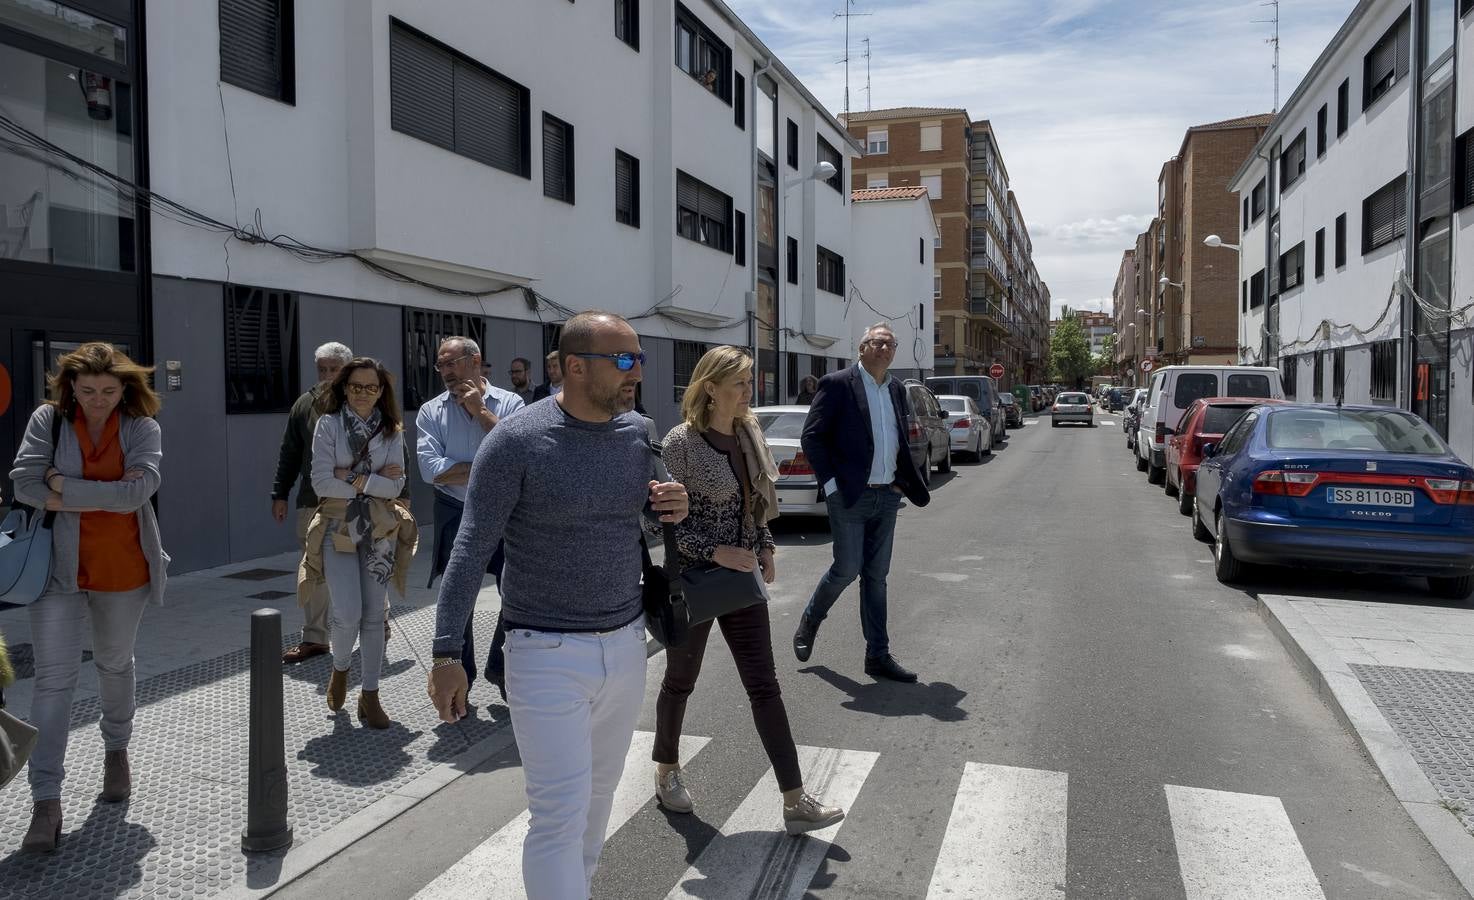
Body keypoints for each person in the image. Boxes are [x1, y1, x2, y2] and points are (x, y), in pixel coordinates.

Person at [428, 311, 688, 899]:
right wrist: (447, 653)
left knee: (597, 808)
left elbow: (640, 520)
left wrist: (670, 506)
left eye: (639, 359)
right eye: (624, 360)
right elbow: (470, 550)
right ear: (575, 367)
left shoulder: (638, 433)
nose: (637, 372)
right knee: (558, 818)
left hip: (626, 646)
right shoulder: (516, 441)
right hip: (543, 652)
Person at [653, 346, 844, 834]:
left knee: (765, 686)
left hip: (740, 579)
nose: (747, 391)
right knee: (680, 681)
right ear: (710, 387)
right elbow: (660, 523)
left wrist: (763, 545)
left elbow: (752, 503)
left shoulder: (746, 433)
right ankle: (667, 769)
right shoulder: (682, 443)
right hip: (694, 580)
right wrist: (715, 551)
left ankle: (795, 799)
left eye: (748, 382)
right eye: (739, 383)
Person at [10, 343, 168, 853]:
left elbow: (134, 495)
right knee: (53, 683)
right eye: (86, 391)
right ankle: (46, 801)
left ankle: (116, 750)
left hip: (125, 571)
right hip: (55, 571)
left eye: (107, 390)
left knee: (114, 665)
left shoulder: (141, 427)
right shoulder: (48, 420)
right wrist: (71, 488)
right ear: (69, 388)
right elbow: (24, 483)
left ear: (125, 388)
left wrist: (62, 485)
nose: (97, 401)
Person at [793, 322, 930, 683]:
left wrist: (900, 483)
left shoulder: (897, 389)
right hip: (850, 496)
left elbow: (899, 436)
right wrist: (833, 487)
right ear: (862, 347)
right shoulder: (837, 385)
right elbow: (812, 437)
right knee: (846, 568)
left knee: (876, 578)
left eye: (891, 344)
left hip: (887, 497)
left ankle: (878, 656)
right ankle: (811, 619)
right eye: (878, 342)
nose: (886, 349)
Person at [298, 357, 416, 728]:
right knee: (346, 612)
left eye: (371, 387)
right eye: (356, 386)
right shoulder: (328, 426)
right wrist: (374, 480)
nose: (363, 394)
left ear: (381, 392)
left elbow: (396, 486)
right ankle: (340, 669)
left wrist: (351, 478)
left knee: (373, 614)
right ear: (344, 388)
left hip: (379, 529)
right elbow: (321, 482)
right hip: (338, 527)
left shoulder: (392, 430)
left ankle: (371, 693)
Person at [417, 337, 524, 698]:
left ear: (475, 360)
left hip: (505, 514)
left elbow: (518, 457)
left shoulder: (511, 403)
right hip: (455, 511)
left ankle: (501, 665)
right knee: (457, 596)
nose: (446, 371)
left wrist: (480, 411)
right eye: (441, 365)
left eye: (452, 363)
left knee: (514, 591)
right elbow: (430, 470)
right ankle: (461, 677)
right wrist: (488, 467)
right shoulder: (431, 411)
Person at [273, 341, 352, 664]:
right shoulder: (305, 404)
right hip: (312, 501)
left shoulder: (360, 400)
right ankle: (315, 638)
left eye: (334, 369)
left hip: (351, 502)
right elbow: (289, 453)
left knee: (353, 564)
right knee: (313, 568)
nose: (328, 375)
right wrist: (280, 493)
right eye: (323, 369)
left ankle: (378, 618)